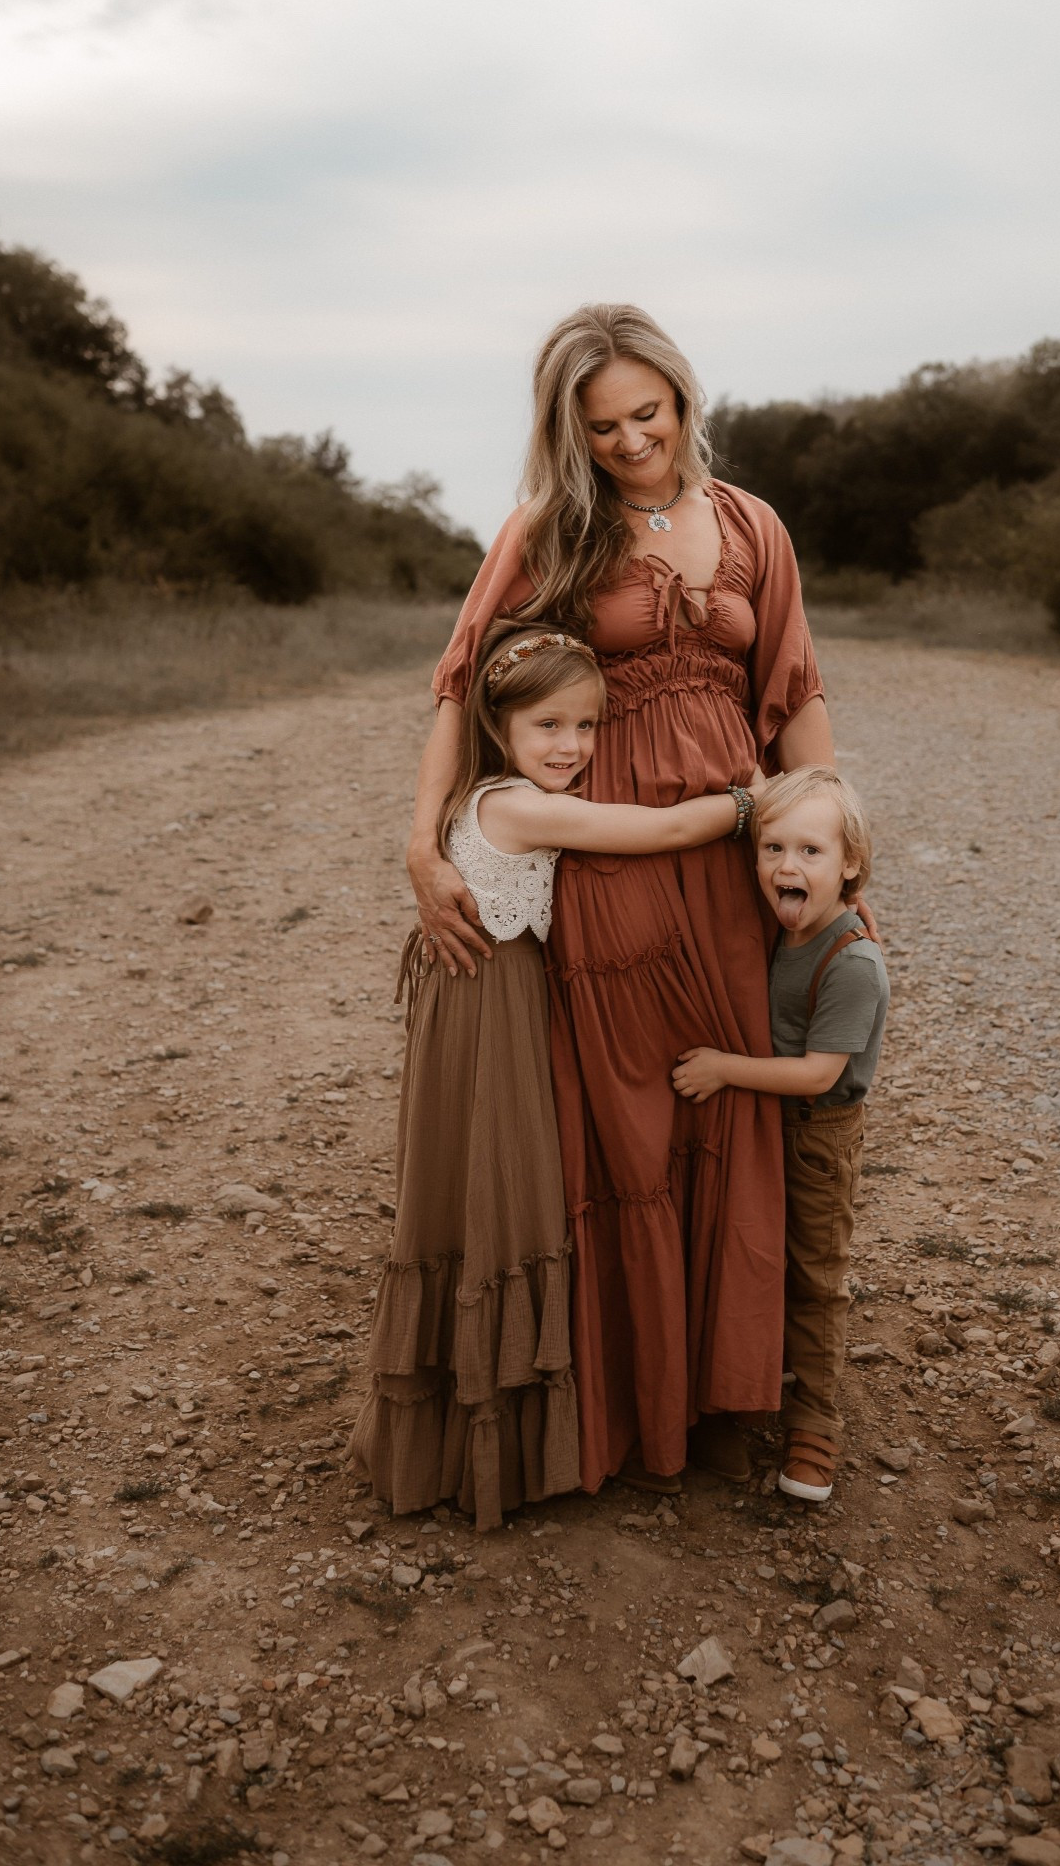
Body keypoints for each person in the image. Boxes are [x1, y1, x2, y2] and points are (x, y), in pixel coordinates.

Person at [407, 303, 841, 1496]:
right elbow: (460, 680)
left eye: (646, 412)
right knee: (630, 1120)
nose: (631, 441)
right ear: (571, 432)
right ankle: (627, 1401)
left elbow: (793, 689)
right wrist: (421, 842)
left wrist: (837, 839)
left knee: (735, 1101)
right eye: (602, 427)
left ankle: (727, 1386)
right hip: (611, 867)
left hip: (738, 860)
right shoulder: (551, 528)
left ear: (684, 398)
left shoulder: (755, 525)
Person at [352, 620, 760, 1530]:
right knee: (497, 1181)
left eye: (587, 726)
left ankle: (487, 1420)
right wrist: (746, 805)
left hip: (486, 998)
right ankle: (478, 1430)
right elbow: (654, 828)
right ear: (500, 728)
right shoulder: (514, 805)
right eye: (549, 726)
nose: (572, 747)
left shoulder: (486, 793)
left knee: (478, 1175)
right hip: (487, 1004)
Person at [672, 766, 889, 1504]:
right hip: (766, 1126)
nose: (786, 867)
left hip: (815, 1136)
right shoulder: (771, 928)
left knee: (815, 1276)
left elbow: (819, 1074)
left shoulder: (852, 962)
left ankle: (816, 1423)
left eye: (809, 852)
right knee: (761, 1254)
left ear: (850, 863)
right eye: (771, 849)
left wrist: (722, 1070)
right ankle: (771, 1370)